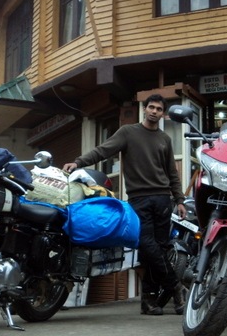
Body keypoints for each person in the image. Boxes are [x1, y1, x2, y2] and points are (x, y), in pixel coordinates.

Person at [63, 94, 187, 316]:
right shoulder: (128, 133)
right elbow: (103, 150)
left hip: (163, 199)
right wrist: (79, 162)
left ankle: (148, 302)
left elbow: (171, 173)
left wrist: (179, 200)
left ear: (162, 113)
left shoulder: (164, 139)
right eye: (151, 107)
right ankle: (175, 286)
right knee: (147, 245)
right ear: (145, 109)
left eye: (159, 109)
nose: (154, 111)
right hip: (139, 199)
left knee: (159, 248)